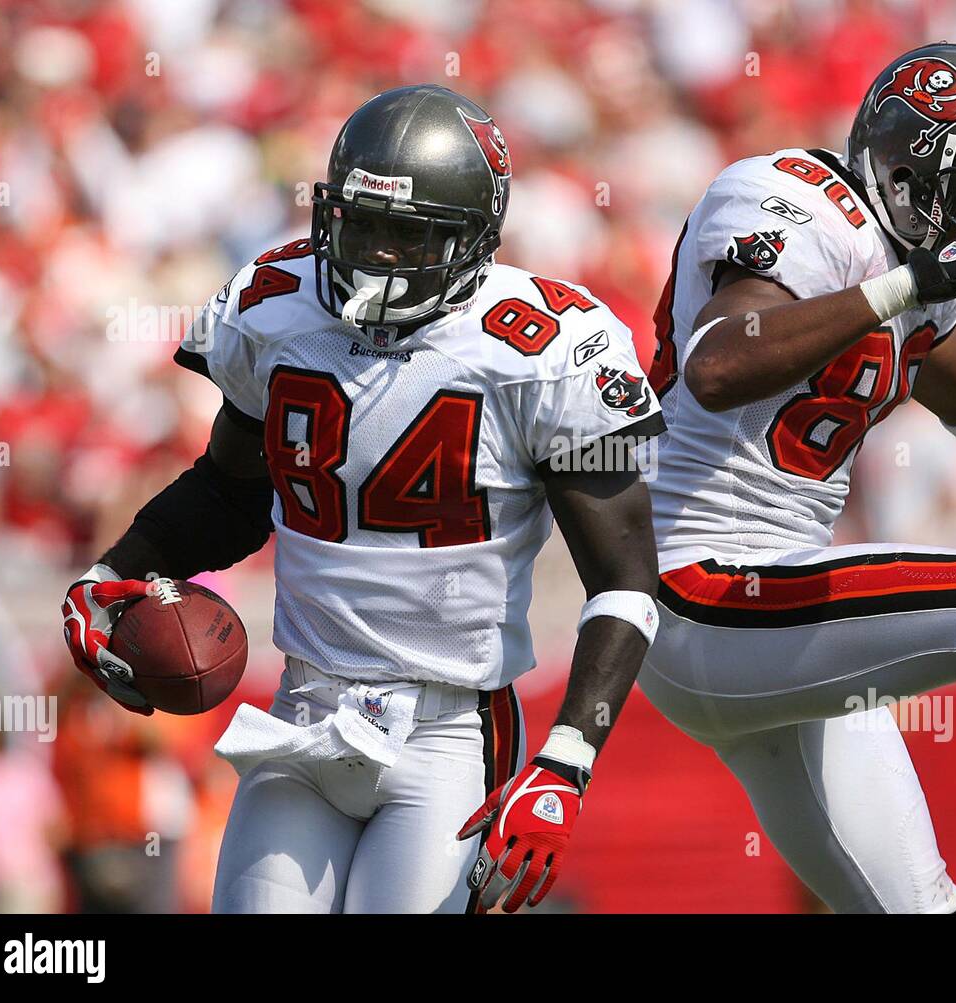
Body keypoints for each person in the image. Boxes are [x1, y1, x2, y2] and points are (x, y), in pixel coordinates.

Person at [61, 85, 665, 914]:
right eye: (361, 224)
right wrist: (110, 572)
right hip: (306, 705)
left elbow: (627, 583)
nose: (377, 253)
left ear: (473, 240)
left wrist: (566, 760)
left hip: (451, 729)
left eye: (407, 233)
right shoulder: (276, 306)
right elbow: (232, 493)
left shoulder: (546, 348)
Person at [640, 42, 956, 914]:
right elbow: (720, 363)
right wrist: (907, 284)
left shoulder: (908, 267)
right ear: (915, 175)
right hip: (694, 584)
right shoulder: (790, 199)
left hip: (774, 619)